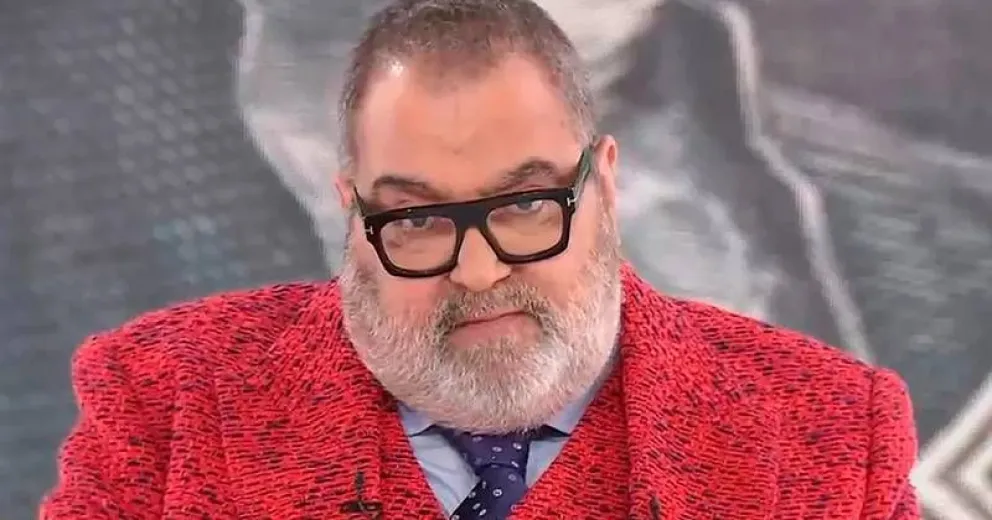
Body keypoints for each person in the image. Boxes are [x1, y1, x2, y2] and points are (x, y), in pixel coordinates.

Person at [41, 0, 921, 518]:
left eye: (528, 205)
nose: (476, 271)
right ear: (354, 211)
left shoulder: (839, 434)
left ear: (604, 184)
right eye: (418, 218)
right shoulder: (161, 404)